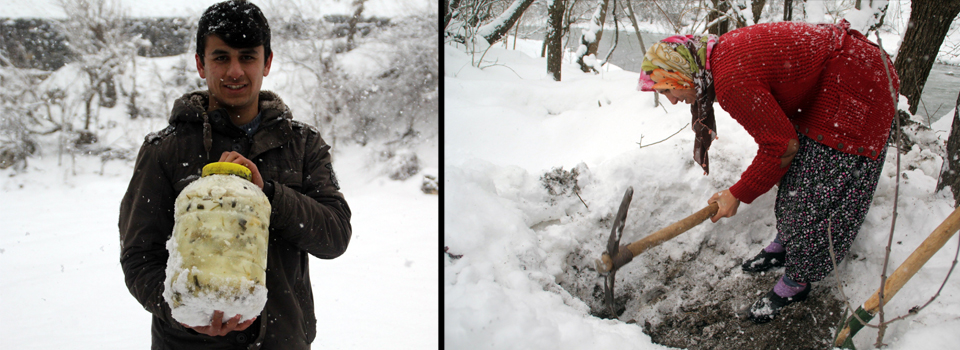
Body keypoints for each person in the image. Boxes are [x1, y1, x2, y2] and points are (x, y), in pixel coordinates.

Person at [118, 0, 352, 348]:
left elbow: (334, 236)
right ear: (200, 63)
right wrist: (183, 313)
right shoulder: (164, 150)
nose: (235, 71)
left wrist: (269, 195)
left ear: (267, 62)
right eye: (221, 57)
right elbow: (140, 257)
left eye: (247, 56)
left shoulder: (302, 145)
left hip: (283, 340)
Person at [637, 20, 899, 323]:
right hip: (838, 74)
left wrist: (738, 194)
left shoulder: (730, 81)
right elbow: (783, 146)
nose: (670, 99)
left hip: (862, 83)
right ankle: (787, 244)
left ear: (682, 73)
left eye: (668, 88)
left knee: (815, 195)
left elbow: (782, 147)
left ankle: (798, 281)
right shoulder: (716, 60)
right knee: (796, 177)